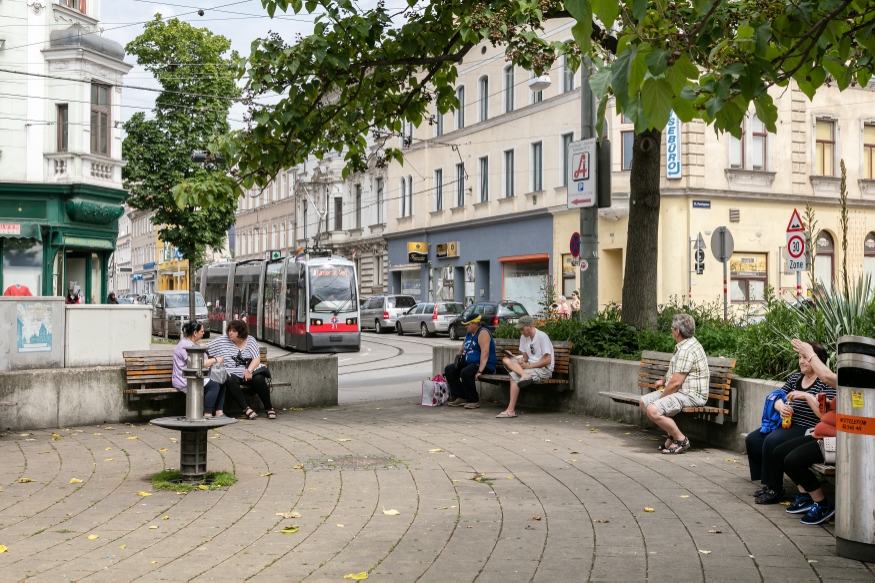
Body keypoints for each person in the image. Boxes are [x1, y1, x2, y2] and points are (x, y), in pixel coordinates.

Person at [745, 339, 836, 505]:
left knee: (773, 440)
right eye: (799, 357)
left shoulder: (825, 383)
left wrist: (806, 397)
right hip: (788, 423)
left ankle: (775, 488)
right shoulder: (796, 378)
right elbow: (778, 395)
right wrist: (780, 407)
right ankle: (766, 481)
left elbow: (822, 415)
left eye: (805, 357)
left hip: (807, 426)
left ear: (816, 360)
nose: (801, 361)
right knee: (753, 439)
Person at [639, 313, 710, 454]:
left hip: (691, 395)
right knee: (643, 402)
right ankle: (671, 435)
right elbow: (676, 370)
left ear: (677, 331)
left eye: (672, 328)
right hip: (681, 392)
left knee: (653, 409)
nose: (671, 331)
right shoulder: (686, 344)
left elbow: (676, 383)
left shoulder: (686, 350)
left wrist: (661, 399)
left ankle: (681, 440)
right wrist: (663, 380)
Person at [206, 320, 276, 420]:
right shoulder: (222, 340)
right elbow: (206, 347)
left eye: (234, 331)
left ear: (241, 332)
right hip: (232, 373)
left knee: (259, 379)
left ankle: (269, 408)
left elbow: (256, 358)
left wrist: (249, 371)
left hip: (249, 372)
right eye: (229, 330)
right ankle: (246, 409)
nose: (230, 333)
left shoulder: (250, 340)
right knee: (229, 379)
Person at [496, 315, 553, 419]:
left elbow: (547, 360)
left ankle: (510, 410)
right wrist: (512, 356)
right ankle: (524, 375)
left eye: (522, 329)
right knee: (506, 360)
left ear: (530, 326)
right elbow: (525, 358)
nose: (521, 331)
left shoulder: (542, 336)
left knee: (513, 375)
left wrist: (529, 366)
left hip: (544, 369)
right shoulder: (524, 337)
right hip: (529, 367)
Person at [173, 321, 227, 418]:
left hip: (197, 375)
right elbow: (197, 364)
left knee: (221, 382)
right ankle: (207, 414)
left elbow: (204, 363)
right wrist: (215, 360)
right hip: (186, 379)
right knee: (213, 386)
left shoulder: (195, 344)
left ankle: (219, 412)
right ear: (195, 333)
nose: (203, 333)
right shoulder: (185, 346)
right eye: (201, 331)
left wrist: (214, 361)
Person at [445, 314, 497, 409]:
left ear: (475, 324)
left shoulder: (483, 333)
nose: (466, 326)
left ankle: (474, 400)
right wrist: (458, 359)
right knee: (449, 370)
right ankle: (461, 396)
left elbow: (485, 352)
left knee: (465, 372)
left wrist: (480, 370)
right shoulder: (469, 333)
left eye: (468, 324)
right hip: (469, 364)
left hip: (485, 365)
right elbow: (462, 348)